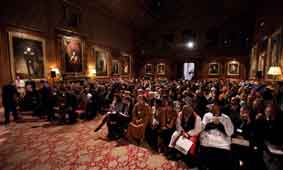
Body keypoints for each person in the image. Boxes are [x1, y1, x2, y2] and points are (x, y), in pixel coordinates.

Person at [199, 102, 235, 170]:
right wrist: (211, 123)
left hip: (221, 143)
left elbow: (230, 132)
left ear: (218, 107)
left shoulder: (226, 118)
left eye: (213, 105)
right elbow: (201, 128)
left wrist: (220, 125)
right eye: (211, 106)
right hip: (208, 141)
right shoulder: (207, 115)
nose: (211, 107)